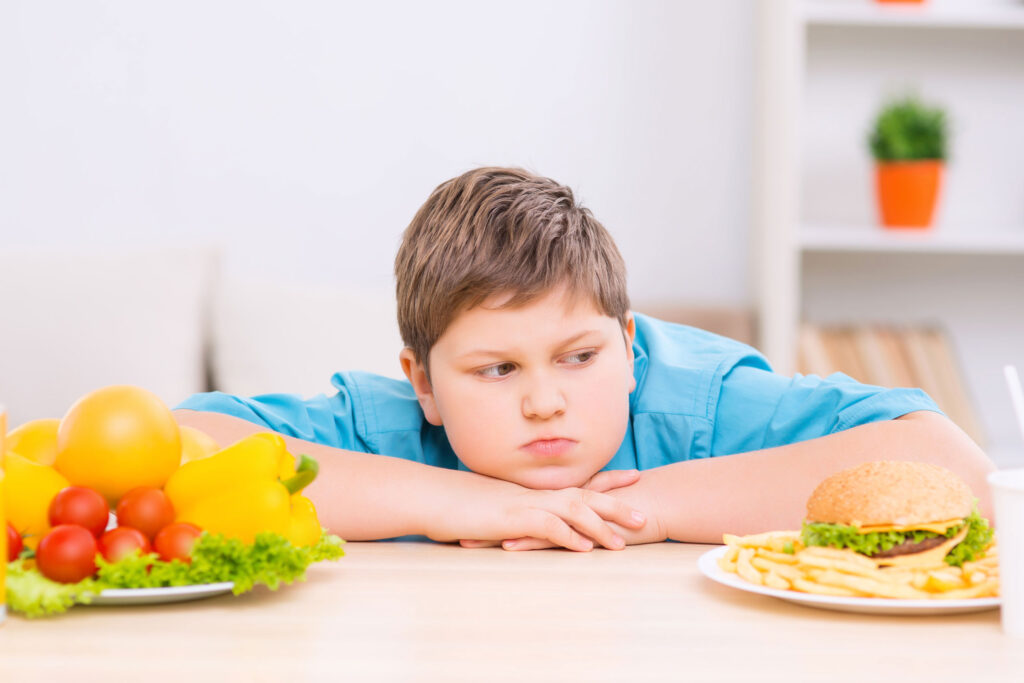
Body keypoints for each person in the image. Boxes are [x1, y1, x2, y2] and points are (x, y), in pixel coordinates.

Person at [175, 167, 995, 551]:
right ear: (423, 382)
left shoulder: (692, 403)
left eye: (579, 356)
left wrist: (657, 506)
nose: (545, 402)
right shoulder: (391, 426)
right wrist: (449, 499)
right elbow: (175, 445)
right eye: (498, 370)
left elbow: (954, 469)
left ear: (629, 348)